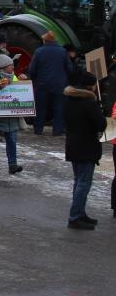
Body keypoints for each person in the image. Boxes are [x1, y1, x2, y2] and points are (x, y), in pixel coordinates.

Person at [63, 70, 105, 229]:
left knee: (78, 181)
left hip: (73, 144)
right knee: (83, 183)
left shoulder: (69, 99)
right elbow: (101, 124)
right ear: (90, 86)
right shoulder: (89, 103)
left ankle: (80, 213)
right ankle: (75, 216)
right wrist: (99, 111)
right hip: (86, 146)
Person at [28, 31, 72, 136]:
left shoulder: (39, 51)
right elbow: (70, 68)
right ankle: (57, 130)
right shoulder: (62, 51)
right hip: (59, 85)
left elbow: (32, 69)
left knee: (41, 108)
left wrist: (35, 80)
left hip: (42, 84)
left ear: (45, 41)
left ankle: (38, 130)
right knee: (58, 108)